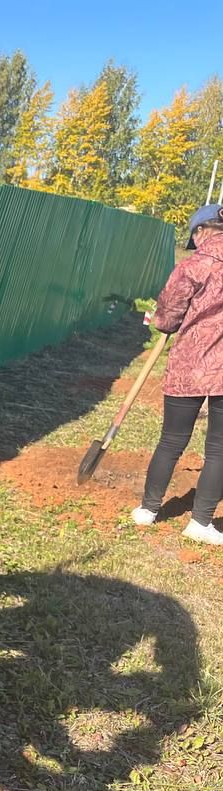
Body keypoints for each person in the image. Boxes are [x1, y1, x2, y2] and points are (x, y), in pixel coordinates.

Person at [133, 203, 223, 544]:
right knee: (220, 449)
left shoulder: (193, 265)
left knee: (171, 440)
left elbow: (166, 317)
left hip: (190, 365)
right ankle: (201, 523)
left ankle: (148, 509)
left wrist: (167, 322)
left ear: (201, 232)